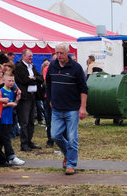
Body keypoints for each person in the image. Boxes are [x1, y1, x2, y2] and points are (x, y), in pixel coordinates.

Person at [45, 42, 88, 176]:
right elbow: (48, 84)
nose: (59, 56)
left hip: (72, 109)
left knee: (71, 137)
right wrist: (50, 99)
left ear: (67, 52)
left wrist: (83, 107)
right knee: (55, 135)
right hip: (57, 108)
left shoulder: (76, 68)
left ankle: (71, 164)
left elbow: (83, 89)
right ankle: (67, 154)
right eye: (57, 53)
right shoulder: (52, 65)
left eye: (61, 53)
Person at [13, 49, 43, 152]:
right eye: (29, 56)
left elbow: (41, 78)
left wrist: (33, 78)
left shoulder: (32, 66)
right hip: (25, 97)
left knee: (31, 120)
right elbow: (24, 80)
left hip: (33, 96)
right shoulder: (19, 67)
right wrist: (33, 79)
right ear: (23, 56)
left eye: (32, 56)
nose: (31, 58)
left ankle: (29, 141)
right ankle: (24, 143)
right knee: (24, 121)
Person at [0, 73, 25, 166]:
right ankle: (11, 156)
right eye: (9, 80)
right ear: (4, 80)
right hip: (2, 119)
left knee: (5, 138)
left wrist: (17, 99)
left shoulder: (12, 92)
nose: (11, 83)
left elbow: (14, 104)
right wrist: (10, 104)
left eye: (13, 81)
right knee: (5, 138)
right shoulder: (1, 91)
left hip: (9, 119)